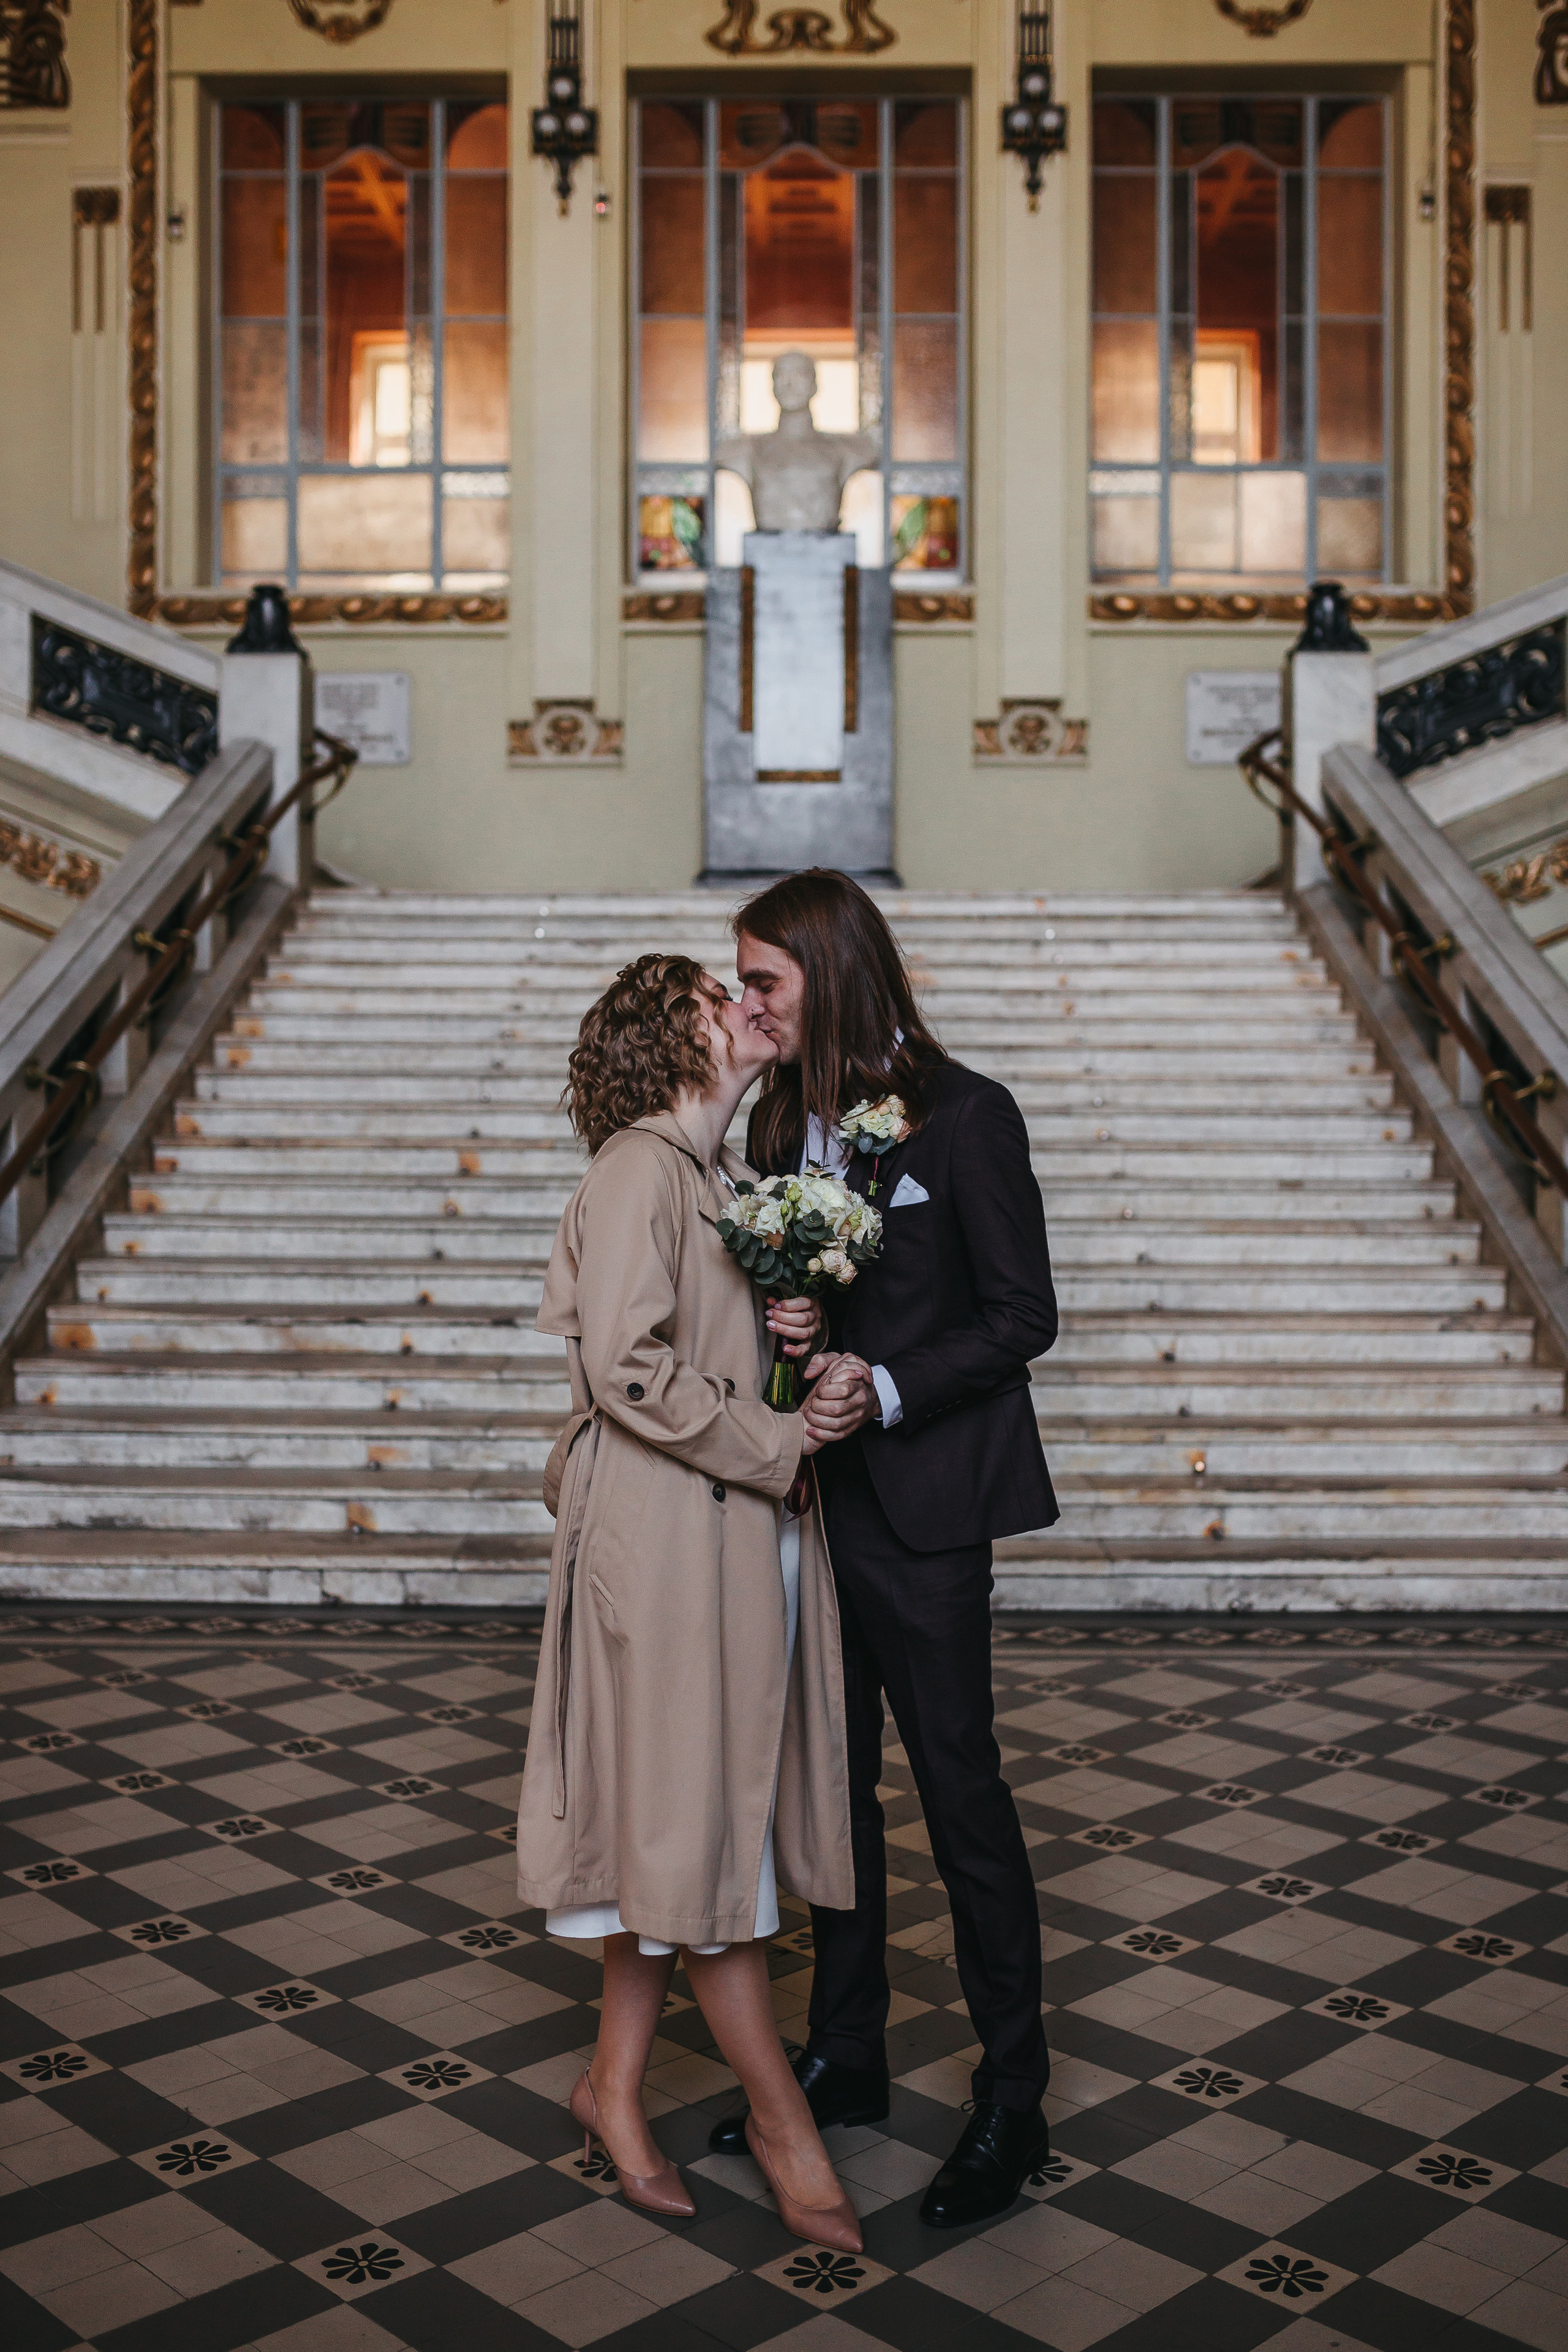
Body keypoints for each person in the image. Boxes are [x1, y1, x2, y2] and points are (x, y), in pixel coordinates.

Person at [708, 870, 1061, 2230]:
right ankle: (843, 2057)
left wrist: (886, 1384)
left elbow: (1021, 1314)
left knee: (960, 1799)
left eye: (764, 984)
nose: (747, 1005)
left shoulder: (969, 1118)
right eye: (739, 983)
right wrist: (790, 1337)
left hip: (923, 1518)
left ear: (828, 972)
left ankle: (1010, 2096)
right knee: (829, 1798)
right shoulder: (785, 1119)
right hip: (805, 1509)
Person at [514, 952, 862, 2252]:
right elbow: (622, 1368)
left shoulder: (714, 1179)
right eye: (723, 1000)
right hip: (668, 1546)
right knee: (703, 1833)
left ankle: (611, 2089)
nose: (747, 1007)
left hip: (720, 1531)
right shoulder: (639, 1169)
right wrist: (771, 1447)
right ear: (676, 1041)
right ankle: (782, 2123)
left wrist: (794, 1360)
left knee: (682, 1825)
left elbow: (690, 1355)